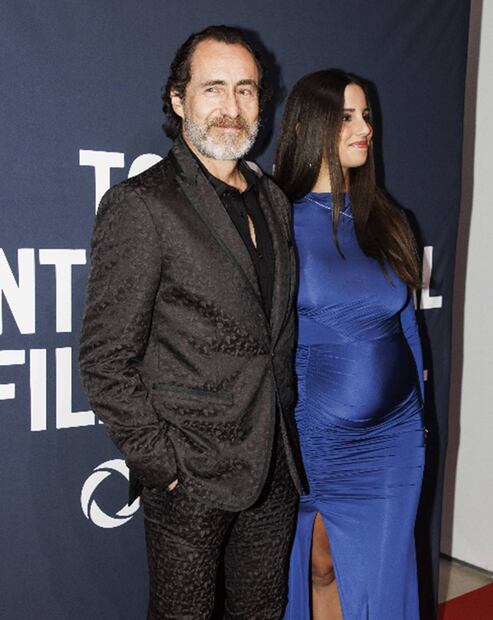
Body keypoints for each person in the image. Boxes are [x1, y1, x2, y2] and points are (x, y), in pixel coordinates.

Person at [79, 25, 307, 620]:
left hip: (274, 461)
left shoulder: (273, 198)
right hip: (192, 471)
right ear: (179, 99)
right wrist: (163, 467)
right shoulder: (142, 205)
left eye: (247, 90)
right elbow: (105, 359)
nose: (232, 108)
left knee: (262, 610)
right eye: (213, 89)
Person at [275, 70, 425, 619]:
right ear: (311, 125)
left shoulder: (389, 221)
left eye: (366, 117)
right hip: (315, 440)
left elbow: (408, 326)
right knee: (319, 565)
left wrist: (419, 424)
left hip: (395, 439)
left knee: (384, 577)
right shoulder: (277, 222)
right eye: (346, 117)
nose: (364, 128)